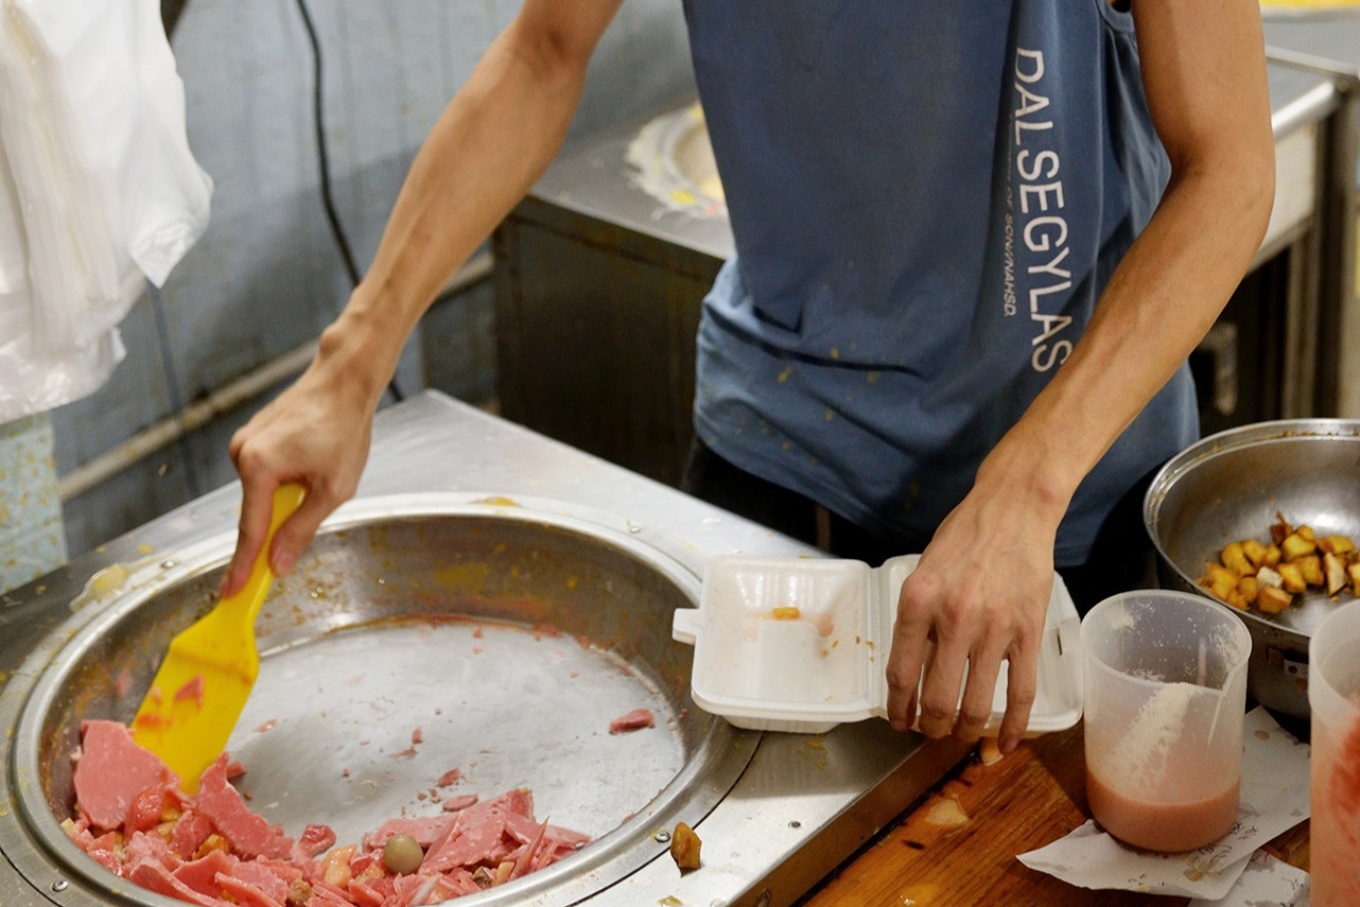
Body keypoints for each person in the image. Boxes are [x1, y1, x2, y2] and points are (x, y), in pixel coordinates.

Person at [222, 2, 1275, 759]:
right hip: (782, 443)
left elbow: (1227, 169)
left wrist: (1023, 489)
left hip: (1057, 478)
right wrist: (353, 358)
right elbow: (543, 52)